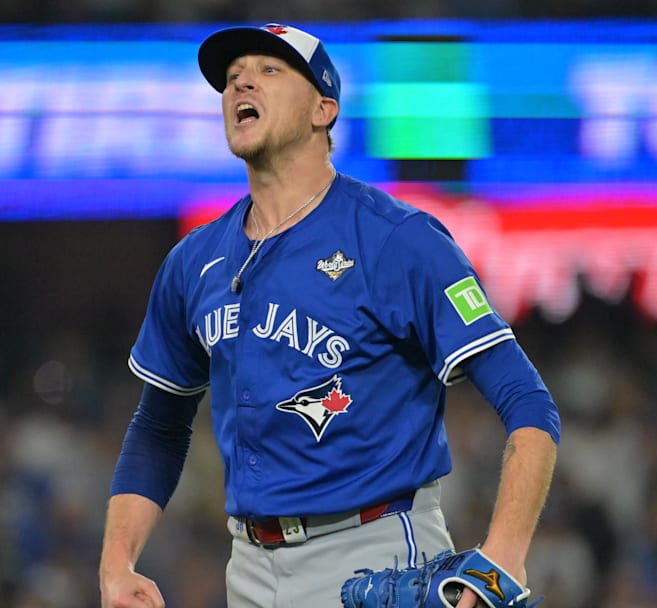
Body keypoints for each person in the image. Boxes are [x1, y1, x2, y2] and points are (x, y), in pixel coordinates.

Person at [99, 23, 560, 608]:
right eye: (232, 75)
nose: (241, 80)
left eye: (269, 70)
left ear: (323, 109)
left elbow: (528, 401)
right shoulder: (194, 261)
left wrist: (503, 557)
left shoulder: (398, 241)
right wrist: (117, 562)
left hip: (375, 554)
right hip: (247, 566)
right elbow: (160, 425)